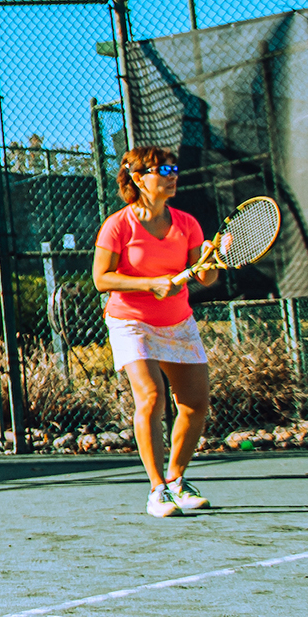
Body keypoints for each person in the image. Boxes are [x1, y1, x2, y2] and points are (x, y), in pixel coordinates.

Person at [92, 146, 217, 517]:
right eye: (162, 170)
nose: (171, 175)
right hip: (130, 321)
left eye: (174, 168)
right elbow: (101, 279)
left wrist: (212, 258)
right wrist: (150, 284)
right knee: (150, 396)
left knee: (195, 404)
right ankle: (157, 489)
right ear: (137, 178)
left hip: (178, 321)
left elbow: (205, 277)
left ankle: (177, 480)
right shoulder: (118, 225)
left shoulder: (187, 223)